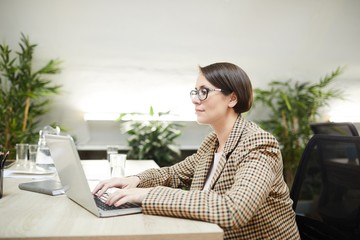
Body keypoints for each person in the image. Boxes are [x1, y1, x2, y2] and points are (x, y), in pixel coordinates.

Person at [93, 62, 300, 239]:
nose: (195, 99)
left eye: (204, 91)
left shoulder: (258, 143)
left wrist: (147, 194)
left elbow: (234, 210)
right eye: (195, 91)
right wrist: (136, 181)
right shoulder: (212, 141)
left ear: (232, 99)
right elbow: (173, 174)